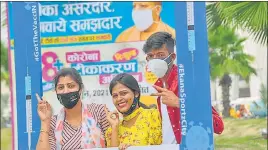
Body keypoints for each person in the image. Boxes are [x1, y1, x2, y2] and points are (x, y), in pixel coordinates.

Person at [143, 31, 224, 144]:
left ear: (172, 57)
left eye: (160, 55)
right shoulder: (157, 87)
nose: (155, 60)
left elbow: (218, 125)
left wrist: (180, 103)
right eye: (151, 56)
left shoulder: (188, 81)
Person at [36, 68, 109, 150]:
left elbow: (114, 145)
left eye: (71, 86)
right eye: (61, 87)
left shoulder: (99, 111)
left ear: (80, 89)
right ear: (56, 91)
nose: (66, 91)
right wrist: (45, 122)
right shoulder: (53, 122)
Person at [105, 73, 162, 150]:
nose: (119, 99)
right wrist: (114, 127)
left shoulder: (153, 116)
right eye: (115, 95)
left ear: (136, 93)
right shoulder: (111, 131)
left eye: (124, 93)